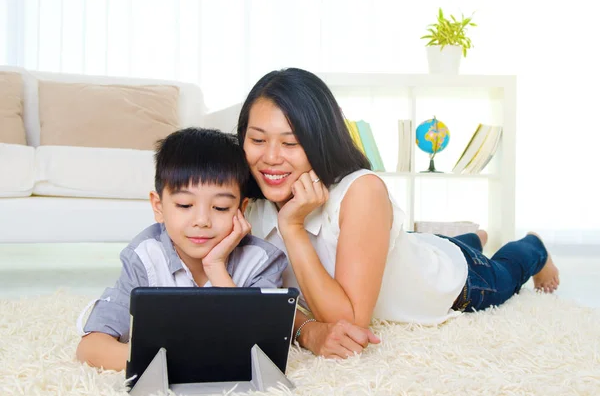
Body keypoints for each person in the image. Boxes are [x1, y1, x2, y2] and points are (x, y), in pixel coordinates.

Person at [238, 68, 561, 359]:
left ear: (320, 140)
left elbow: (347, 322)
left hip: (458, 279)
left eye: (290, 143)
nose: (270, 157)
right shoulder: (247, 203)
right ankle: (470, 237)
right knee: (420, 243)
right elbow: (253, 294)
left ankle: (534, 247)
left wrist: (292, 227)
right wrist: (305, 328)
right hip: (410, 247)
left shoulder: (362, 191)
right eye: (257, 140)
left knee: (506, 271)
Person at [76, 128, 288, 370]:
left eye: (220, 207)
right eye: (185, 205)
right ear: (158, 206)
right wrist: (178, 360)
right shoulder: (145, 257)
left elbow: (258, 350)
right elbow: (91, 347)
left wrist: (216, 266)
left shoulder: (262, 260)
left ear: (241, 208)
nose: (202, 221)